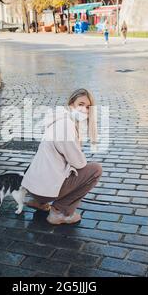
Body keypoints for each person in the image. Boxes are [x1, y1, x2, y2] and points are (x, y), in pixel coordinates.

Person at [22, 89, 102, 225]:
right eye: (81, 104)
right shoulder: (67, 125)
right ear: (71, 105)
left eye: (88, 107)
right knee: (95, 170)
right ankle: (59, 212)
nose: (84, 110)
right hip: (44, 191)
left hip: (33, 188)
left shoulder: (58, 120)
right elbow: (79, 163)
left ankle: (39, 203)